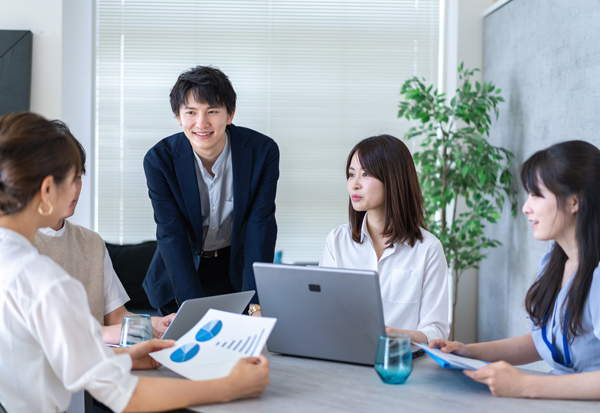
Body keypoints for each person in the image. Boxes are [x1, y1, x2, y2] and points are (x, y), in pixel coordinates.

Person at [0, 112, 269, 412]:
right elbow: (126, 396)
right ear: (48, 189)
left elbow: (47, 358)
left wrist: (125, 356)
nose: (76, 187)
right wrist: (231, 386)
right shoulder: (45, 282)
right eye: (72, 177)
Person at [430, 140, 600, 400]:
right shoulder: (554, 262)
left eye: (536, 195)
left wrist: (525, 385)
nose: (525, 207)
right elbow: (544, 343)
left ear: (574, 201)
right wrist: (467, 351)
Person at [144, 66, 279, 317]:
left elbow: (260, 228)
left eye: (212, 111)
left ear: (230, 114)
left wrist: (255, 303)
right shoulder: (159, 161)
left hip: (235, 272)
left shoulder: (262, 153)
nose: (201, 123)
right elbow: (171, 234)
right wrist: (191, 310)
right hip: (181, 275)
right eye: (191, 112)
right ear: (178, 116)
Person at [33, 120, 175, 345]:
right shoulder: (17, 244)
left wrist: (154, 325)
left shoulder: (91, 242)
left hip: (102, 359)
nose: (74, 189)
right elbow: (40, 331)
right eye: (62, 179)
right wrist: (105, 334)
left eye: (78, 176)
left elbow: (116, 316)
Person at [320, 135, 449, 345]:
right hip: (344, 353)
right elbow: (323, 310)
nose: (354, 184)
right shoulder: (337, 241)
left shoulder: (428, 248)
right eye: (351, 174)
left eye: (365, 174)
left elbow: (437, 330)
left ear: (393, 178)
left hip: (401, 358)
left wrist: (400, 335)